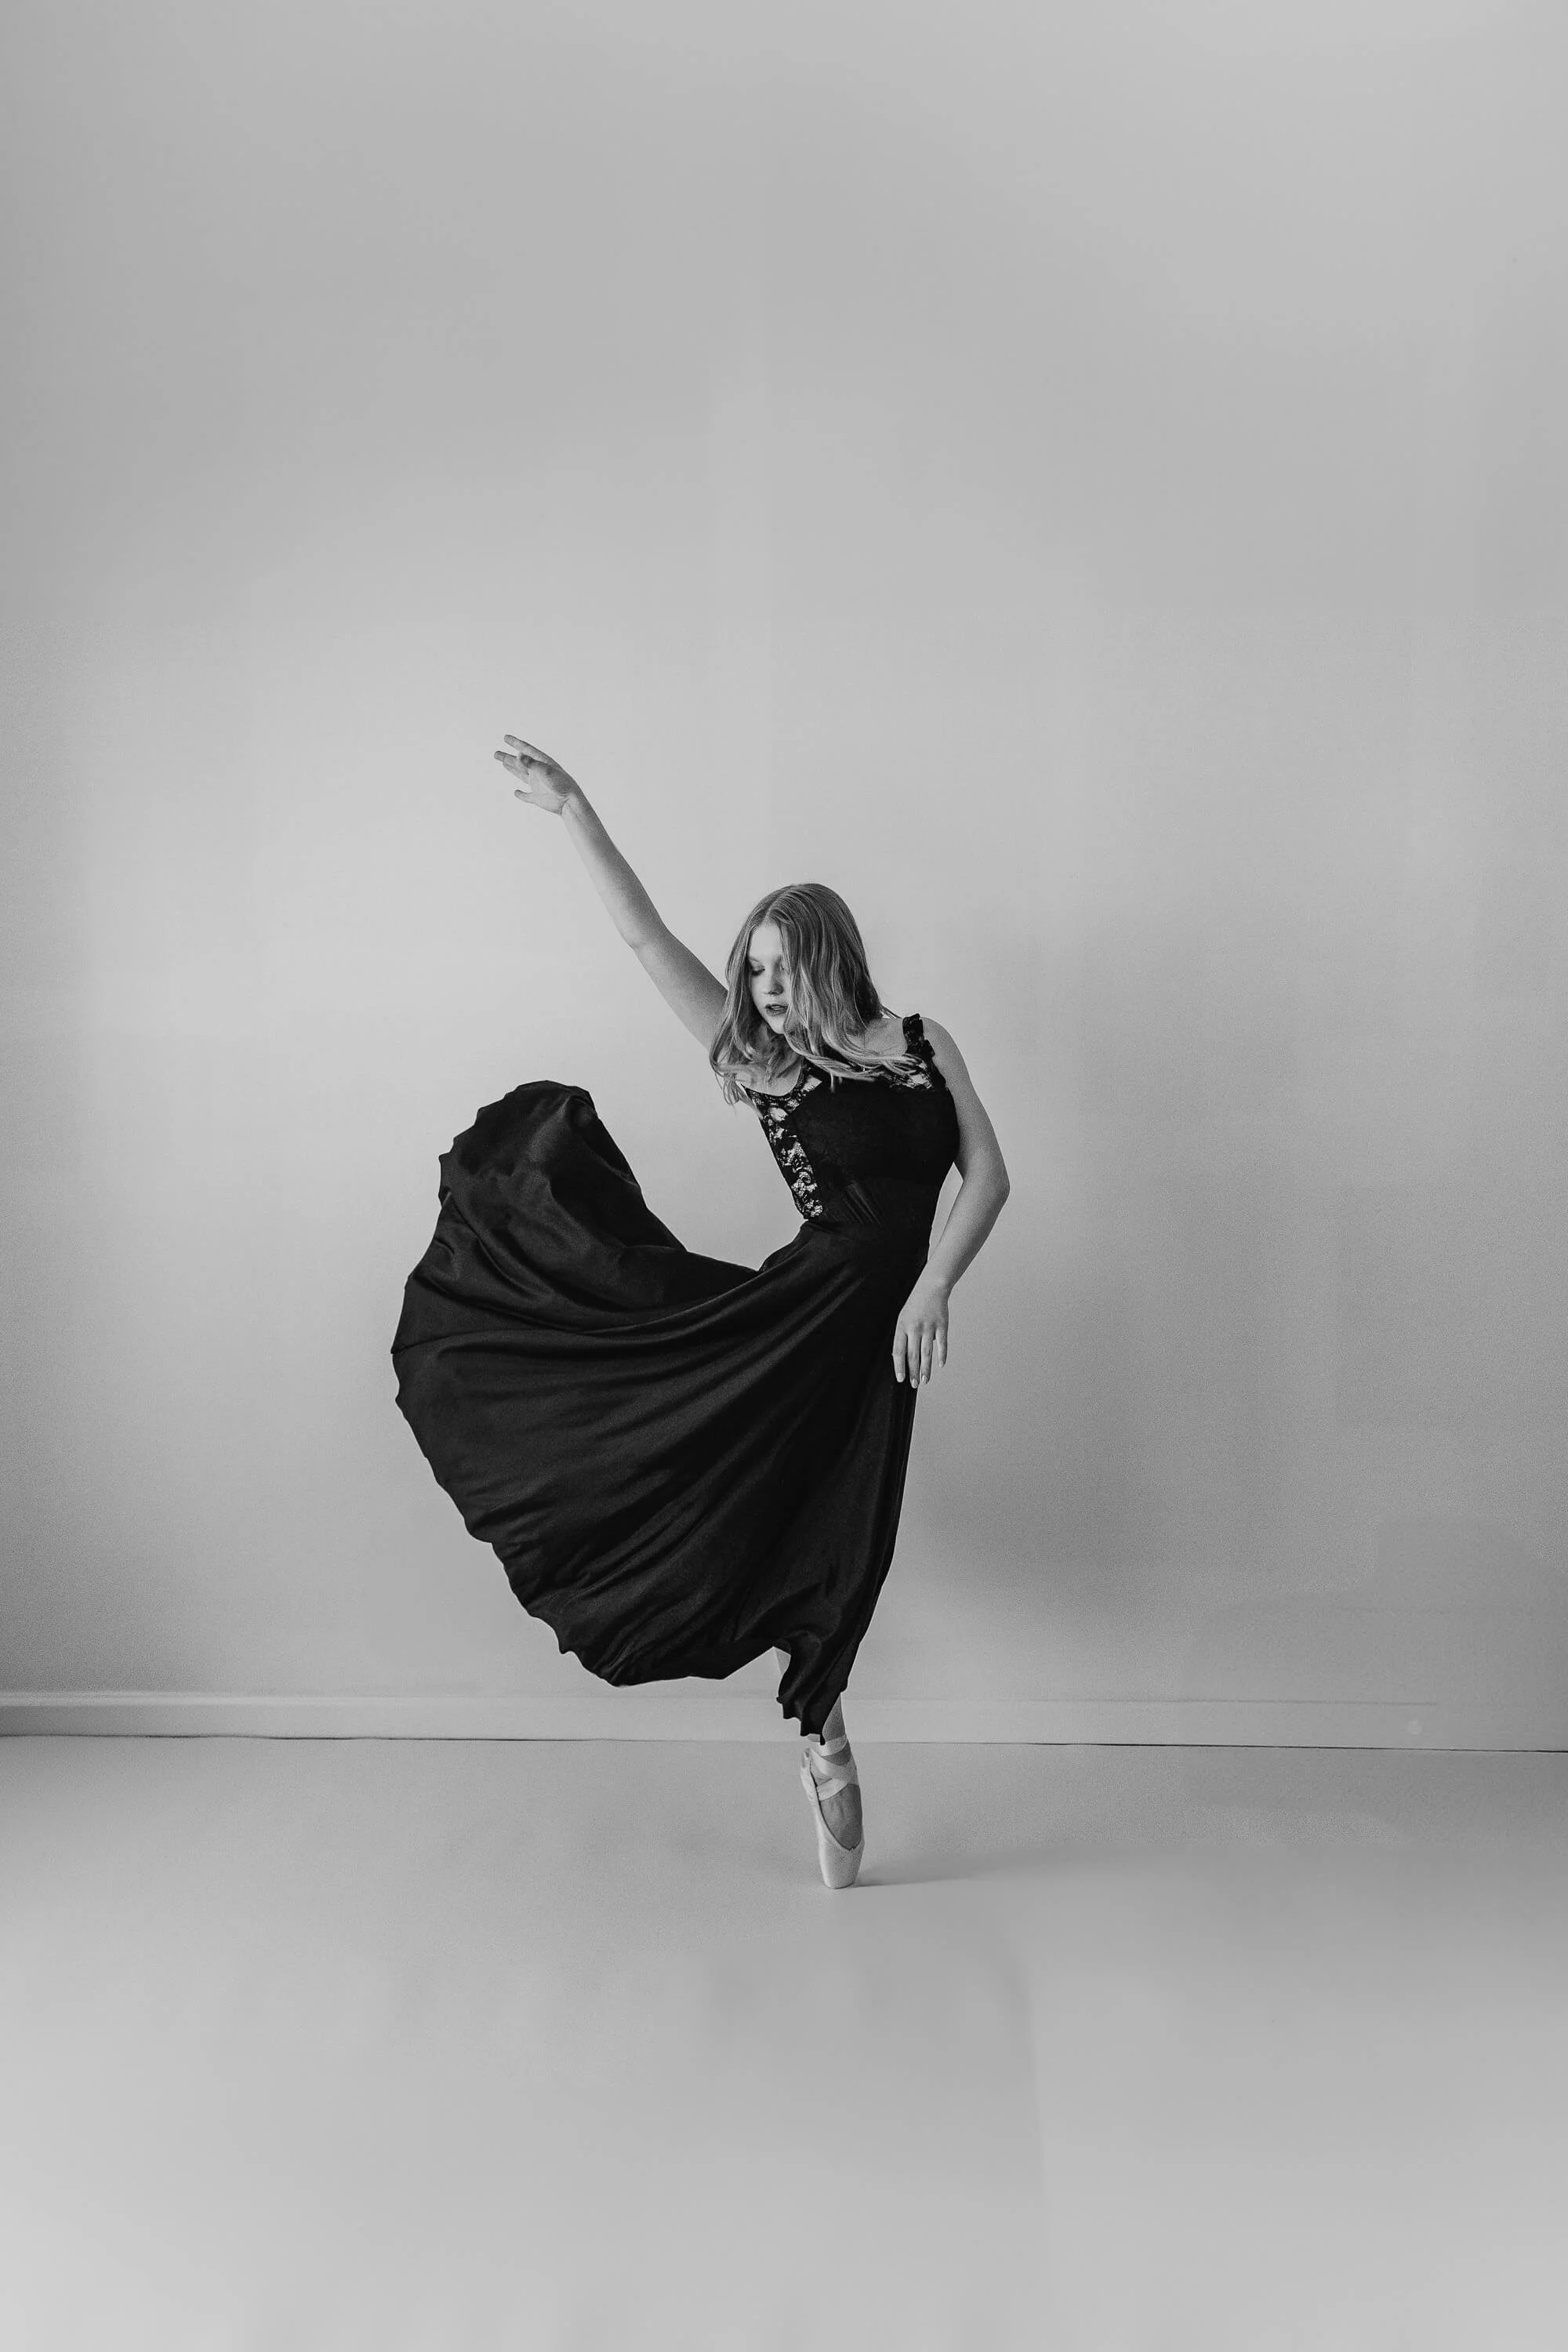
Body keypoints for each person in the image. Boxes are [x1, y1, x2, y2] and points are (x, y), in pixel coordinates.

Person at [391, 735, 1011, 1888]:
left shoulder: (923, 1045)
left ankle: (818, 1717)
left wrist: (934, 1283)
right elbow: (644, 940)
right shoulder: (770, 1068)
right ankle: (822, 1737)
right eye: (755, 972)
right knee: (761, 1517)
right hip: (789, 1326)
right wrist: (578, 812)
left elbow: (990, 1175)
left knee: (852, 1536)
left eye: (778, 968)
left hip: (877, 1340)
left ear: (829, 956)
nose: (763, 990)